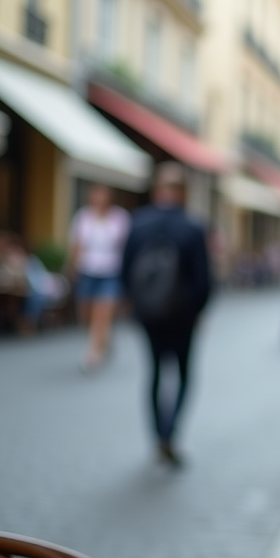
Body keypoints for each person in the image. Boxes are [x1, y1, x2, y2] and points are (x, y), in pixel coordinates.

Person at [120, 162, 212, 467]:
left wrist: (135, 305)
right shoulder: (193, 226)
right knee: (184, 374)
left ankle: (157, 436)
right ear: (183, 192)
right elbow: (203, 279)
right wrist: (199, 311)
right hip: (183, 315)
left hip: (149, 314)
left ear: (158, 190)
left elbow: (125, 269)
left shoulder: (138, 223)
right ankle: (170, 433)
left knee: (155, 372)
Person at [67, 183, 131, 371]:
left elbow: (125, 246)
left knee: (102, 313)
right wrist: (72, 268)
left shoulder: (119, 218)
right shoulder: (83, 217)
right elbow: (77, 245)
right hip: (87, 271)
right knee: (86, 313)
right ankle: (104, 339)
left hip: (111, 272)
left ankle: (92, 354)